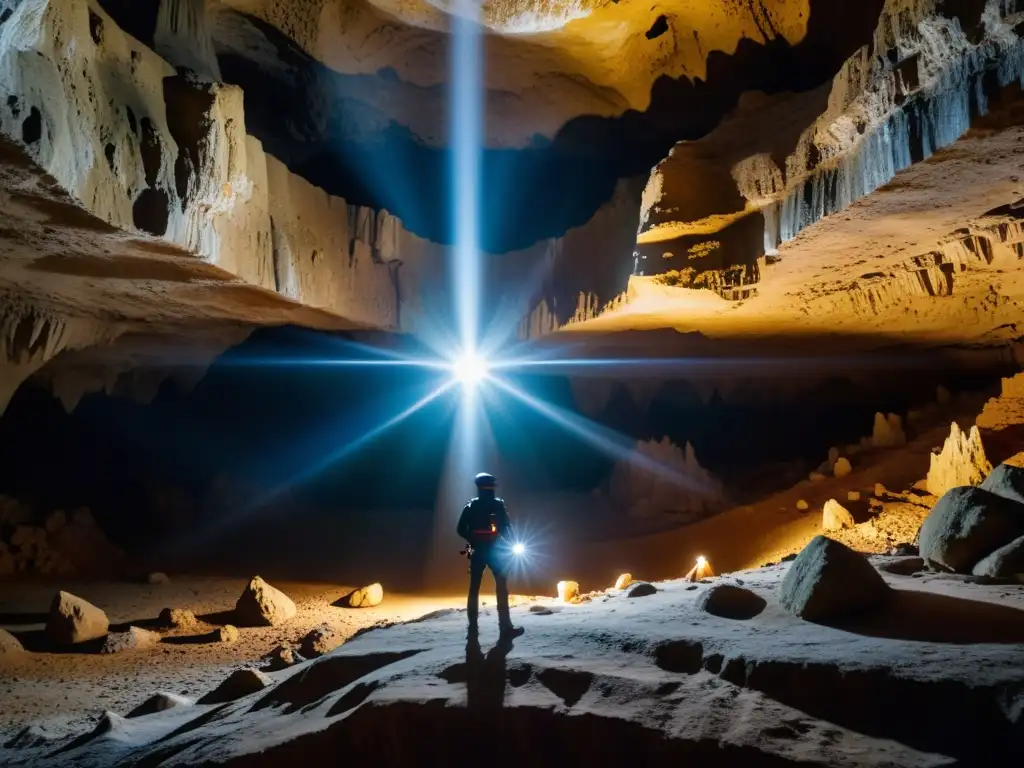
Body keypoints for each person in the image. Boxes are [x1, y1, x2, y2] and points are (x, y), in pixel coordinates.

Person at [457, 472, 524, 639]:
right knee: (501, 588)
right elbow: (507, 529)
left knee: (474, 589)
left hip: (478, 551)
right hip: (497, 552)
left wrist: (472, 538)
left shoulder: (471, 506)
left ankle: (472, 629)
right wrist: (509, 545)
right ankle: (505, 628)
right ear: (493, 486)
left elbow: (460, 529)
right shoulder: (498, 505)